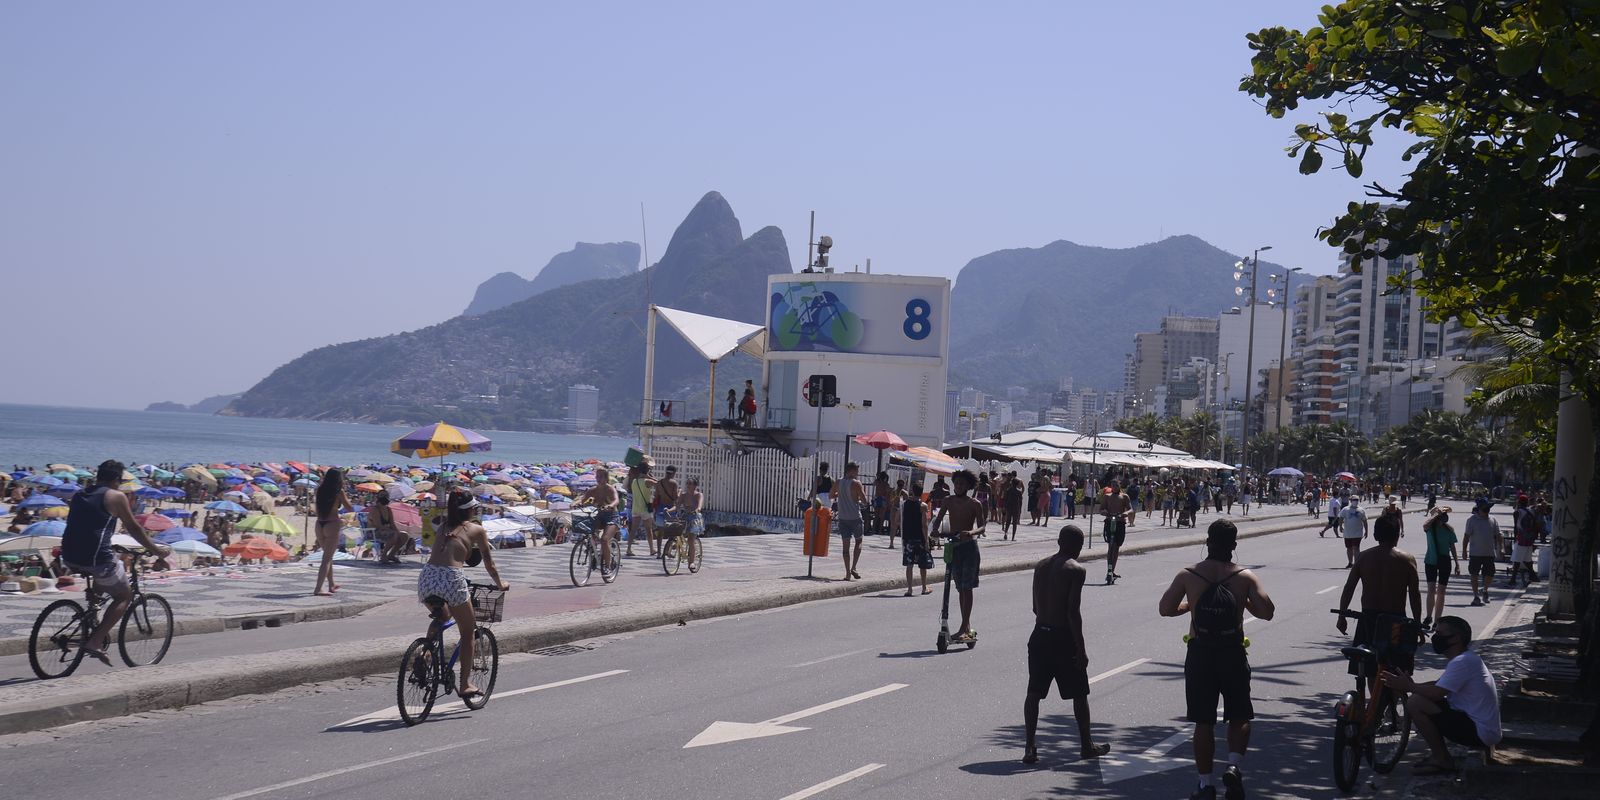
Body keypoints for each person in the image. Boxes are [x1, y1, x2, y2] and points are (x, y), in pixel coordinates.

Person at [1159, 520, 1275, 800]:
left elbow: (1165, 608)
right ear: (1233, 546)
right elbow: (1267, 611)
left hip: (1200, 652)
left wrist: (1192, 604)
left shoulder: (1188, 575)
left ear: (1207, 542)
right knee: (1239, 714)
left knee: (1203, 721)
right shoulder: (1245, 576)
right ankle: (1234, 766)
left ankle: (1205, 783)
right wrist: (1242, 599)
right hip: (1232, 651)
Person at [60, 460, 172, 664]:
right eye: (120, 481)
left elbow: (85, 526)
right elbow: (134, 528)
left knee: (105, 575)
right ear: (115, 480)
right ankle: (95, 641)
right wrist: (156, 551)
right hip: (95, 558)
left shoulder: (80, 494)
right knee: (123, 595)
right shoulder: (116, 496)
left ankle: (92, 616)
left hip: (69, 555)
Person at [1023, 524, 1111, 765]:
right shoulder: (1076, 569)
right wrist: (1081, 649)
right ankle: (1086, 745)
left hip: (1039, 634)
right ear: (1077, 546)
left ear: (1059, 541)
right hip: (1062, 638)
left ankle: (1030, 747)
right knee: (1080, 693)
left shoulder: (1040, 566)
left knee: (1034, 692)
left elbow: (1034, 607)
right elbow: (1073, 612)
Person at [417, 491, 509, 700]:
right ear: (469, 510)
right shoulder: (477, 529)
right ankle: (465, 684)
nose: (476, 510)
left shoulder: (442, 527)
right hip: (451, 578)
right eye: (474, 507)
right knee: (468, 632)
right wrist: (500, 584)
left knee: (442, 616)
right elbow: (489, 563)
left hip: (427, 577)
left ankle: (424, 654)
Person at [1382, 616, 1502, 775]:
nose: (1436, 637)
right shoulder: (1466, 659)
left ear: (1456, 638)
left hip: (1479, 732)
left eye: (1439, 633)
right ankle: (1440, 757)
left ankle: (1442, 759)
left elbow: (1437, 693)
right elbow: (1438, 685)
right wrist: (1410, 685)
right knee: (1418, 697)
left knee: (1415, 703)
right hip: (1481, 728)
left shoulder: (1462, 662)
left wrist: (1409, 687)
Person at [1336, 514, 1422, 692]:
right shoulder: (1407, 559)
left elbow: (1349, 587)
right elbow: (1414, 594)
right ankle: (1387, 709)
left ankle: (1374, 707)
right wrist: (1417, 623)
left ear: (1375, 535)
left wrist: (1342, 616)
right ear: (1397, 535)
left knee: (1370, 668)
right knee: (1397, 667)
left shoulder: (1364, 557)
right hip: (1396, 621)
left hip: (1369, 619)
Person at [929, 469, 985, 642]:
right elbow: (938, 519)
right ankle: (966, 627)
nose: (958, 486)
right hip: (954, 547)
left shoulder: (975, 503)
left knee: (967, 588)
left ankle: (963, 627)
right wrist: (935, 530)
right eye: (956, 483)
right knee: (960, 587)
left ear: (968, 486)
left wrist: (971, 532)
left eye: (962, 484)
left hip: (969, 548)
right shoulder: (948, 500)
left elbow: (982, 527)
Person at [313, 469, 354, 596]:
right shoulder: (338, 492)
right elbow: (350, 508)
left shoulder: (319, 490)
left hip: (319, 524)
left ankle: (331, 584)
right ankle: (318, 588)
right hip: (332, 523)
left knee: (327, 556)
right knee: (326, 559)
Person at [1420, 506, 1460, 630]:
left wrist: (1457, 564)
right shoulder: (1430, 528)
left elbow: (1452, 547)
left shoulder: (1449, 530)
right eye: (1442, 515)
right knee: (1431, 590)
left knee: (1441, 592)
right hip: (1431, 561)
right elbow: (1425, 525)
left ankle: (1437, 620)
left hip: (1444, 562)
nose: (1444, 517)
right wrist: (1435, 515)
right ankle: (1428, 616)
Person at [574, 466, 621, 568]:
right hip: (599, 516)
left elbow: (616, 500)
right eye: (597, 476)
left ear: (606, 478)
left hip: (612, 517)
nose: (598, 479)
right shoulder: (593, 490)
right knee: (588, 530)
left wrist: (611, 505)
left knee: (604, 540)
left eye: (600, 477)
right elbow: (582, 499)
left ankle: (607, 566)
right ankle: (594, 552)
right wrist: (575, 503)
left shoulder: (610, 489)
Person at [1461, 499, 1502, 606]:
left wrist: (1501, 548)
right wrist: (1464, 550)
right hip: (1475, 553)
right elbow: (1466, 536)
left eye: (1488, 508)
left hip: (1489, 553)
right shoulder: (1472, 520)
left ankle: (1485, 590)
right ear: (1479, 509)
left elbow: (1498, 535)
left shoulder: (1493, 519)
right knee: (1474, 574)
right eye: (1485, 508)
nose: (1487, 510)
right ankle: (1476, 596)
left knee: (1490, 574)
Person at [835, 462, 867, 581]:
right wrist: (857, 499)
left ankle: (847, 573)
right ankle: (854, 567)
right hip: (855, 517)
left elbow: (831, 495)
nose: (857, 474)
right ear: (852, 471)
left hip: (843, 518)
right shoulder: (856, 483)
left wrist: (841, 495)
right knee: (859, 541)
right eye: (857, 471)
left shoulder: (838, 482)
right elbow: (864, 500)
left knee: (845, 546)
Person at [901, 488, 932, 596]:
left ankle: (909, 589)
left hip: (908, 538)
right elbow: (924, 525)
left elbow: (898, 520)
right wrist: (926, 541)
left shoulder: (905, 504)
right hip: (919, 538)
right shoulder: (923, 506)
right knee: (922, 564)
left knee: (909, 565)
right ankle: (924, 587)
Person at [1100, 483, 1131, 584]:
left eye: (1116, 485)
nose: (1114, 487)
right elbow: (1101, 509)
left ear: (1119, 486)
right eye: (1113, 485)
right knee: (1110, 546)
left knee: (1117, 546)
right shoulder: (1107, 497)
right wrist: (1104, 512)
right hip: (1110, 522)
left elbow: (1130, 509)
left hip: (1120, 522)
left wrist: (1126, 513)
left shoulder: (1124, 496)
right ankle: (1109, 570)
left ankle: (1112, 570)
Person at [1509, 494, 1539, 587]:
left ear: (1519, 502)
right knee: (1527, 559)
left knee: (1517, 560)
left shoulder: (1517, 512)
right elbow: (1535, 525)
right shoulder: (1532, 511)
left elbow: (1516, 527)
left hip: (1521, 538)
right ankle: (1533, 575)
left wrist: (1515, 538)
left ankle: (1513, 579)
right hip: (1529, 538)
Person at [628, 463, 657, 557]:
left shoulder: (634, 481)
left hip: (635, 508)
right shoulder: (647, 481)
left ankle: (629, 549)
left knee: (633, 530)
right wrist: (649, 477)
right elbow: (659, 484)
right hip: (645, 509)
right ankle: (652, 549)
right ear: (647, 471)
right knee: (649, 530)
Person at [372, 492, 405, 564]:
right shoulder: (375, 509)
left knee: (404, 535)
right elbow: (378, 525)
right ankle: (383, 555)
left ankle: (391, 555)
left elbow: (392, 523)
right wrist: (393, 531)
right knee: (393, 534)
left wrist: (398, 532)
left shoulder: (388, 509)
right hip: (374, 532)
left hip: (386, 531)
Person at [1340, 495, 1368, 568]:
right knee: (1349, 548)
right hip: (1347, 533)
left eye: (1357, 500)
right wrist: (1340, 526)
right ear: (1350, 500)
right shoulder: (1345, 509)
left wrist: (1366, 531)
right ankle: (1350, 562)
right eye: (1354, 500)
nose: (1355, 501)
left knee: (1356, 547)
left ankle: (1356, 563)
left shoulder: (1361, 510)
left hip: (1357, 533)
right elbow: (1341, 518)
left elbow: (1365, 521)